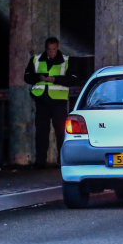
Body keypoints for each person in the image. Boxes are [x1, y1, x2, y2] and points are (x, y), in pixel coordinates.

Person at [23, 36, 78, 168]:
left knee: (60, 132)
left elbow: (73, 79)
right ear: (46, 48)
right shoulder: (36, 60)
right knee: (41, 132)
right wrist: (39, 77)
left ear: (57, 48)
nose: (51, 52)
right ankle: (40, 161)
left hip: (58, 101)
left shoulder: (66, 61)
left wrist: (55, 79)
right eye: (49, 50)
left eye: (53, 49)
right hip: (42, 100)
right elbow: (27, 77)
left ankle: (62, 160)